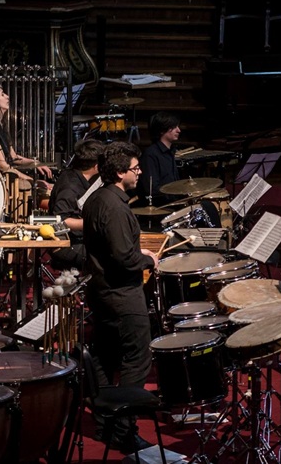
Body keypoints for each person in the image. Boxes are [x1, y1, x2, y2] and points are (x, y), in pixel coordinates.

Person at [82, 141, 158, 453]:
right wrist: (148, 259)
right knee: (135, 361)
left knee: (105, 358)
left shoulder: (97, 199)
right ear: (118, 172)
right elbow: (123, 258)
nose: (139, 173)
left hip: (103, 292)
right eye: (135, 168)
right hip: (122, 295)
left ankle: (105, 425)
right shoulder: (113, 206)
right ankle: (122, 431)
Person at [0, 82, 53, 184]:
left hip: (4, 179)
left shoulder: (0, 125)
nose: (7, 97)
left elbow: (13, 157)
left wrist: (35, 162)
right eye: (2, 94)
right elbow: (3, 166)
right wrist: (32, 181)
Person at [48, 139, 104, 270]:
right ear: (96, 166)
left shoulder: (76, 176)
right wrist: (95, 223)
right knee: (109, 259)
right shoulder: (70, 186)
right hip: (66, 244)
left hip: (79, 239)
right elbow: (61, 220)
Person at [138, 112, 181, 208]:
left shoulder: (170, 153)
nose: (179, 130)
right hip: (161, 207)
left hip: (173, 204)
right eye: (174, 127)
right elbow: (152, 189)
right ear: (162, 130)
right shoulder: (150, 155)